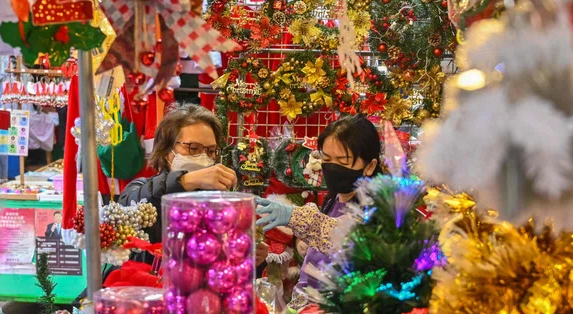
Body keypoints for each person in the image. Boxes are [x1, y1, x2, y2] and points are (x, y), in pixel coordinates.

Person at [256, 115, 381, 298]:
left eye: (343, 161)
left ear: (369, 166)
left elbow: (347, 237)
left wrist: (296, 218)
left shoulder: (378, 206)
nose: (333, 168)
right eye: (327, 159)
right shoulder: (334, 199)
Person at [119, 103, 238, 247]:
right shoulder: (140, 186)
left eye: (211, 151)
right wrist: (185, 180)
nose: (203, 157)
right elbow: (127, 208)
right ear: (166, 149)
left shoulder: (216, 200)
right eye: (193, 148)